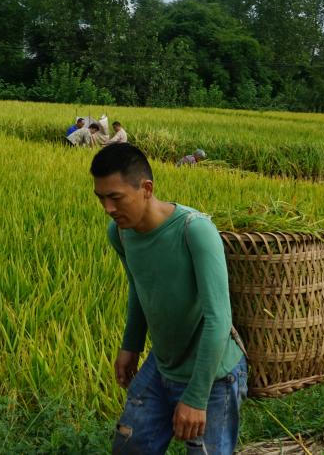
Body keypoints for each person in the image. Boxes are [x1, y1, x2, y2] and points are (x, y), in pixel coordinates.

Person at [91, 144, 246, 455]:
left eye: (116, 197)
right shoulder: (120, 233)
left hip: (213, 375)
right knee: (130, 446)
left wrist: (196, 397)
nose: (107, 207)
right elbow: (139, 287)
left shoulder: (195, 230)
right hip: (162, 364)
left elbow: (219, 319)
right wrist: (130, 345)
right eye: (101, 198)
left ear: (146, 189)